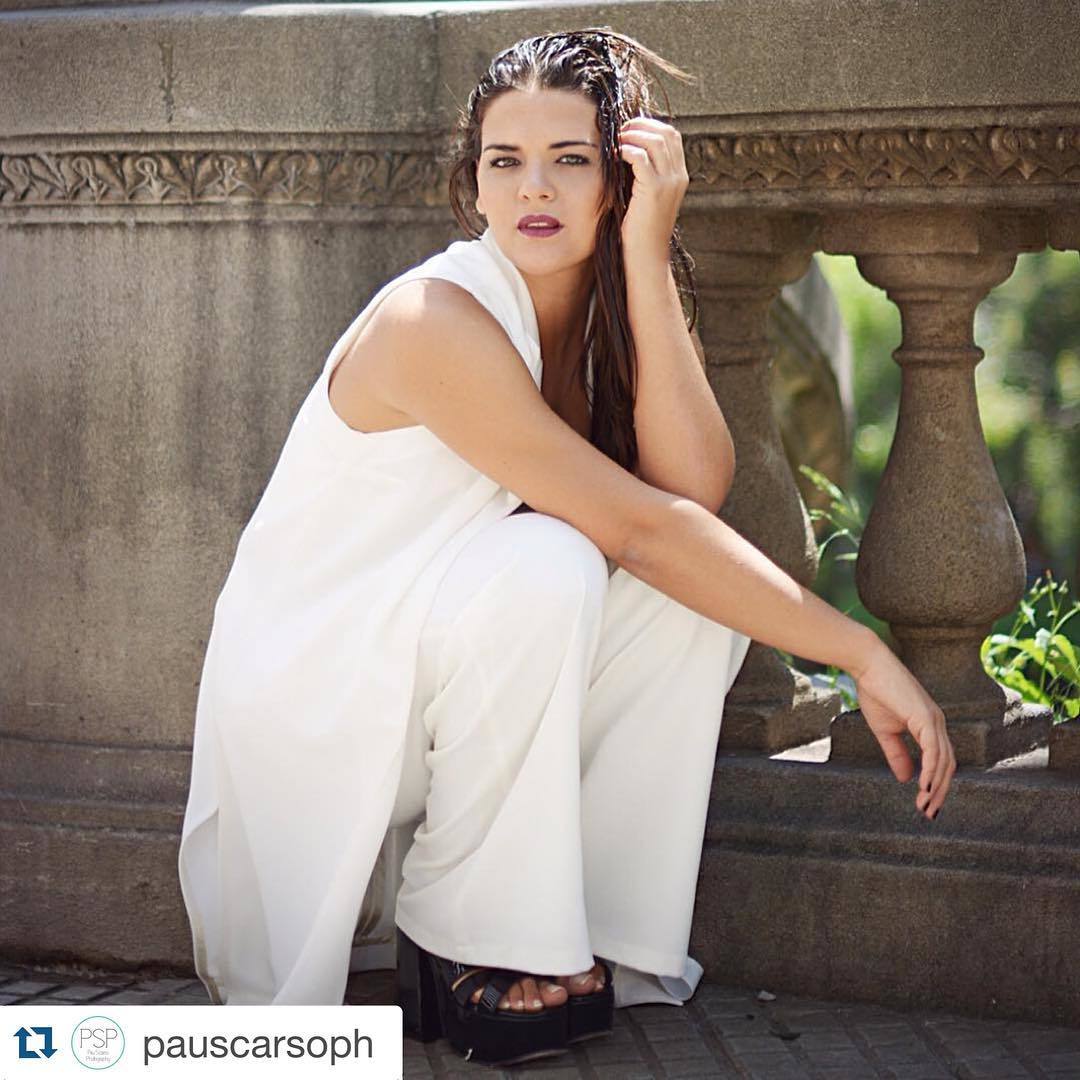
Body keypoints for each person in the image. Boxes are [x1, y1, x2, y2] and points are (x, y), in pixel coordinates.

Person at [177, 25, 956, 1069]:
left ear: (620, 179)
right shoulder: (432, 321)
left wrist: (645, 255)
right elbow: (641, 526)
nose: (533, 188)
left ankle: (588, 931)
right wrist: (860, 652)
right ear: (474, 183)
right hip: (324, 718)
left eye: (571, 160)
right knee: (553, 560)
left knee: (686, 594)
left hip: (427, 690)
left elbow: (693, 493)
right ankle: (472, 939)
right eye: (505, 161)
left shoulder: (598, 318)